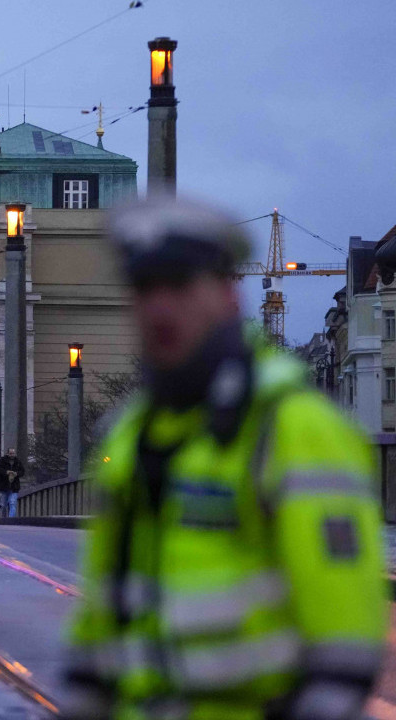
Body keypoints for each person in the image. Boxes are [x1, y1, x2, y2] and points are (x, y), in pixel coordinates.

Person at [63, 197, 387, 720]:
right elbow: (102, 619)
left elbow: (344, 647)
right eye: (146, 288)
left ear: (228, 295)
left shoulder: (294, 428)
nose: (161, 307)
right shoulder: (129, 434)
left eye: (181, 285)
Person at [0, 448, 25, 518]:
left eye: (13, 453)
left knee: (12, 503)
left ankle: (11, 520)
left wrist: (16, 474)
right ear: (7, 453)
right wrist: (6, 472)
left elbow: (22, 471)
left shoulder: (18, 462)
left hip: (14, 487)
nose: (12, 455)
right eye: (10, 453)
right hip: (3, 487)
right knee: (3, 505)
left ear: (15, 454)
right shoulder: (2, 461)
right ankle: (3, 519)